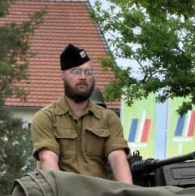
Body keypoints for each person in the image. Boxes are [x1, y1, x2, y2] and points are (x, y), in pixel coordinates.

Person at [30, 44, 132, 184]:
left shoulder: (108, 119)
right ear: (63, 76)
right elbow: (48, 159)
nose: (83, 77)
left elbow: (118, 158)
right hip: (61, 194)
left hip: (99, 195)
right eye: (76, 72)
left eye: (88, 72)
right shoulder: (46, 118)